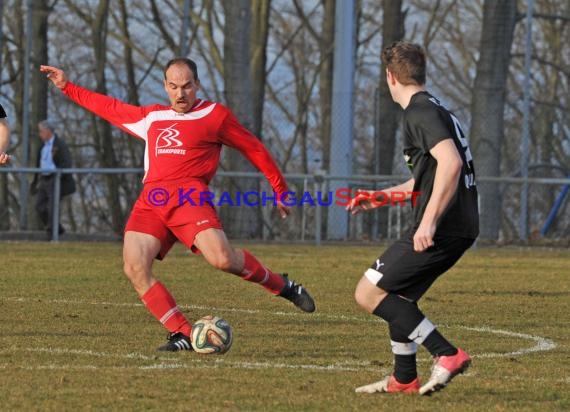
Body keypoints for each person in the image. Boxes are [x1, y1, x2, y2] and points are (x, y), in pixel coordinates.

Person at [40, 58, 315, 352]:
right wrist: (67, 87)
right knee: (134, 267)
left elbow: (254, 148)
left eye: (186, 86)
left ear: (197, 85)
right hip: (152, 201)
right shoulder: (152, 118)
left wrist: (280, 188)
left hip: (189, 198)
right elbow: (108, 107)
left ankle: (282, 286)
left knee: (222, 260)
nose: (180, 93)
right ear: (165, 86)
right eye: (174, 86)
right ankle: (182, 332)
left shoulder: (214, 116)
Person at [347, 41, 479, 395]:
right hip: (459, 226)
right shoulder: (434, 108)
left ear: (390, 77)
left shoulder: (419, 112)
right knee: (398, 297)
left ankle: (446, 353)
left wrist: (428, 222)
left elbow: (450, 164)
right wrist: (381, 197)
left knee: (368, 291)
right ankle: (404, 378)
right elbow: (430, 176)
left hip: (445, 227)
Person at [30, 120, 76, 239]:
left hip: (55, 179)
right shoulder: (42, 145)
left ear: (48, 131)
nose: (40, 134)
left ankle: (51, 234)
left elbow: (66, 162)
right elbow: (38, 163)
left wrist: (59, 174)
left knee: (52, 207)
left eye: (41, 131)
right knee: (39, 206)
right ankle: (58, 229)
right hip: (43, 179)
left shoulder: (60, 144)